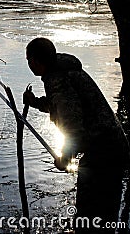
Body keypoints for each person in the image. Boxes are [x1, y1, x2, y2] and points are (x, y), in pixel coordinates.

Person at [23, 37, 129, 233]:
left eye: (28, 59)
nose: (29, 64)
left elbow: (72, 124)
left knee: (90, 215)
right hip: (111, 147)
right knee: (105, 215)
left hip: (103, 152)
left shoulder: (58, 79)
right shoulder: (62, 72)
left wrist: (65, 157)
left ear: (35, 61)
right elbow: (63, 105)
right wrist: (35, 102)